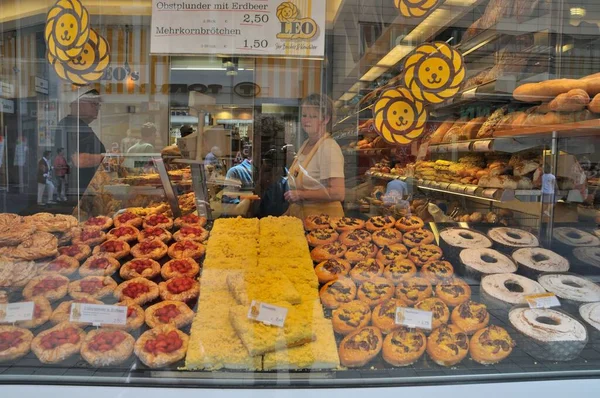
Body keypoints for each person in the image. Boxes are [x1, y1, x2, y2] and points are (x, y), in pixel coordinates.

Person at [284, 93, 345, 218]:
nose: (306, 120)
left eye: (313, 116)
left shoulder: (329, 148)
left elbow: (338, 193)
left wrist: (301, 194)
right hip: (303, 217)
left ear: (326, 119)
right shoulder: (306, 144)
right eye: (304, 115)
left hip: (323, 223)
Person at [56, 87, 105, 193]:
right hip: (78, 193)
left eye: (98, 105)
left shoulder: (79, 125)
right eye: (93, 104)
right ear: (78, 103)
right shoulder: (71, 125)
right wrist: (106, 158)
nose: (97, 108)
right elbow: (78, 160)